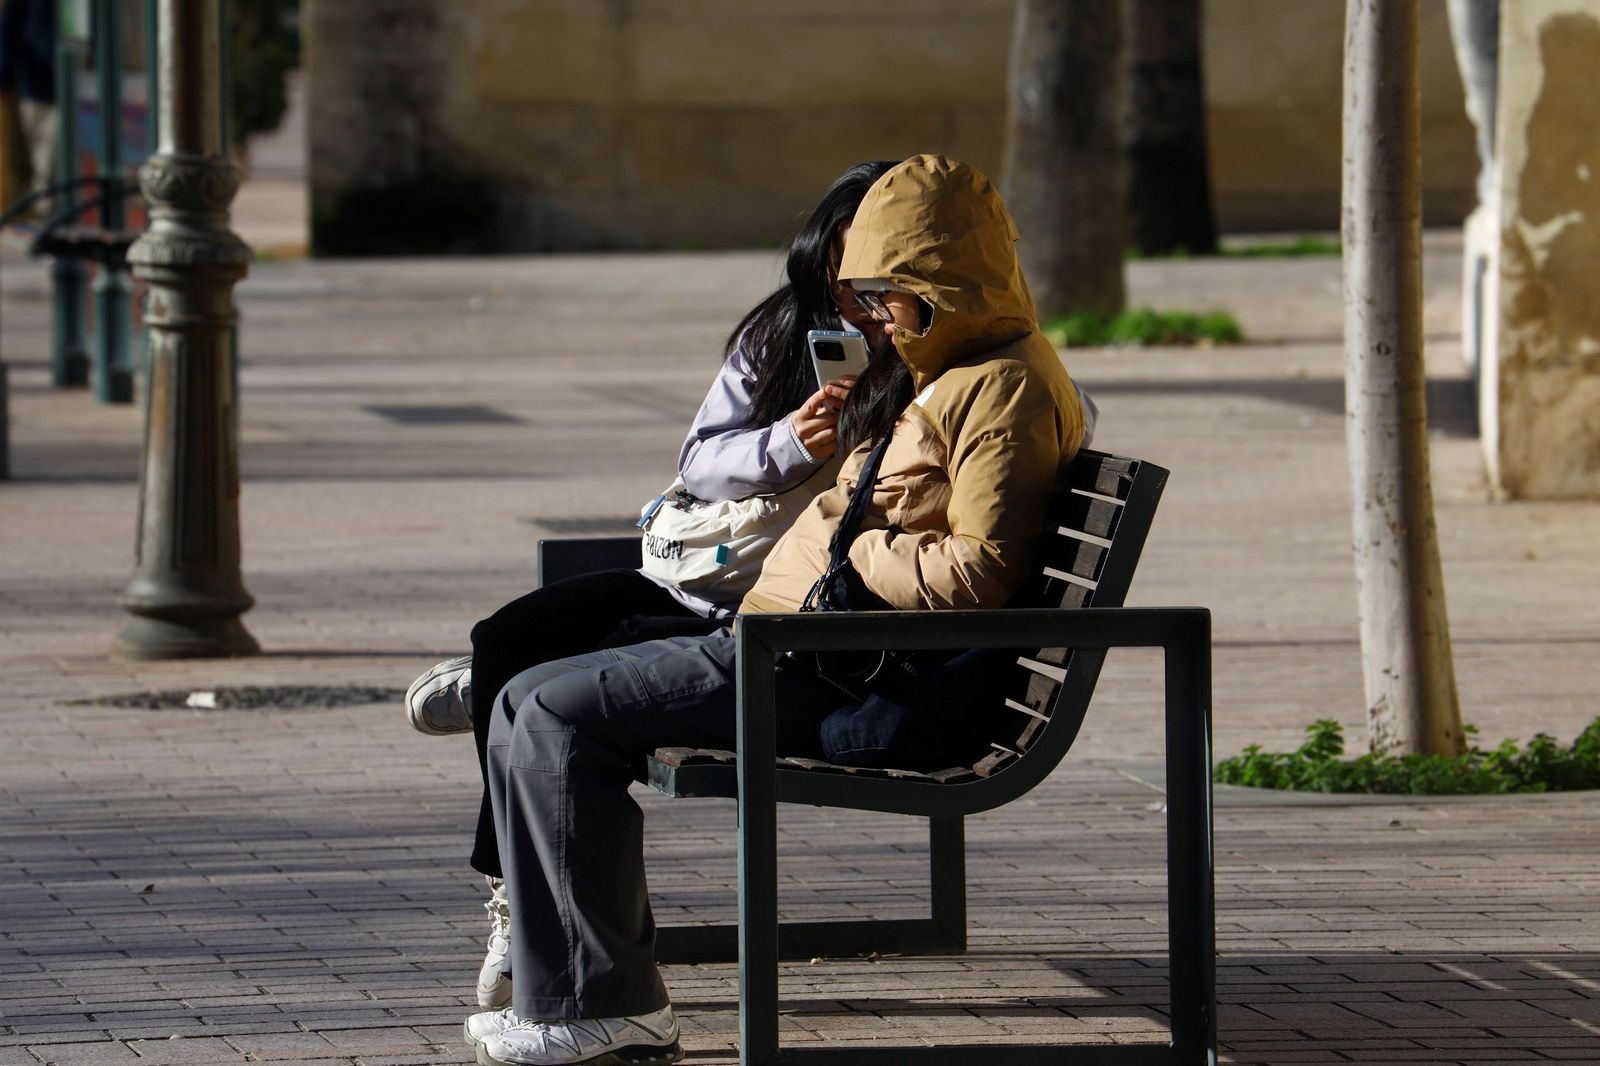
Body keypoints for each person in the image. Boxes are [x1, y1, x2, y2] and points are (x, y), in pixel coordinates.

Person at [463, 155, 1091, 1066]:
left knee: (551, 711)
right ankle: (584, 997)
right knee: (529, 692)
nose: (870, 318)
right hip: (793, 643)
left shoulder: (1001, 385)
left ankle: (606, 1007)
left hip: (829, 667)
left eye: (884, 295)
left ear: (939, 283)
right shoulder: (957, 371)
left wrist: (848, 550)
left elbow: (982, 568)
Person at [406, 160, 908, 1013]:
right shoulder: (783, 335)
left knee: (535, 686)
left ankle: (489, 710)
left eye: (873, 284)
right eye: (839, 280)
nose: (857, 306)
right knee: (506, 639)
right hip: (699, 576)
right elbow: (699, 462)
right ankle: (510, 893)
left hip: (776, 615)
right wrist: (786, 442)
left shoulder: (939, 354)